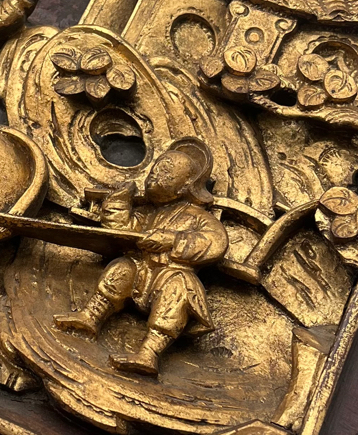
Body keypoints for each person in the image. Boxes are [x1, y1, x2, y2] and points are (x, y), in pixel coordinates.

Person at [55, 138, 228, 375]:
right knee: (122, 267)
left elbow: (216, 242)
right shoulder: (148, 213)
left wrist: (173, 240)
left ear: (185, 186)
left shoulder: (198, 217)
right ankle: (91, 317)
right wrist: (118, 203)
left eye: (166, 173)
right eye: (155, 170)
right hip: (142, 270)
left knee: (178, 291)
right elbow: (124, 230)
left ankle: (149, 354)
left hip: (171, 274)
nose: (155, 176)